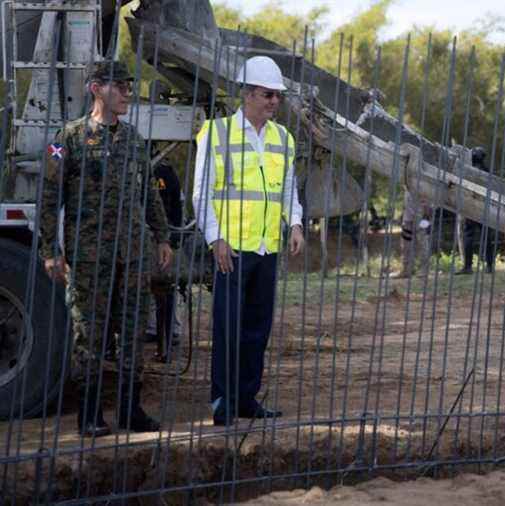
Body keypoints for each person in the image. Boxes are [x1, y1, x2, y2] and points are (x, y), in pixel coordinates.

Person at [39, 60, 173, 437]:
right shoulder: (69, 138)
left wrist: (162, 236)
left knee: (131, 331)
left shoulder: (133, 139)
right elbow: (50, 198)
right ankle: (91, 414)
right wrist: (50, 250)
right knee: (90, 334)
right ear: (97, 89)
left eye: (130, 87)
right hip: (89, 256)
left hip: (132, 255)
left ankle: (131, 410)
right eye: (122, 87)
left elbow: (149, 193)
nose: (128, 94)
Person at [192, 56, 305, 426]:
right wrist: (215, 237)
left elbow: (288, 188)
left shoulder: (282, 138)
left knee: (258, 327)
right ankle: (222, 401)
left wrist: (297, 223)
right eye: (268, 95)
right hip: (232, 249)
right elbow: (201, 192)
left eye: (277, 97)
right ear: (248, 94)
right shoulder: (216, 132)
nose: (275, 102)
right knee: (228, 326)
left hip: (265, 247)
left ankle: (246, 398)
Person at [145, 159, 184, 353]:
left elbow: (176, 205)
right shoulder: (163, 171)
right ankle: (156, 329)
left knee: (165, 286)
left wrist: (173, 238)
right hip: (156, 236)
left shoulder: (165, 172)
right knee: (158, 287)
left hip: (163, 237)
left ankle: (169, 331)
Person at [455, 147, 498, 275]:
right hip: (483, 207)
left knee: (469, 235)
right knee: (486, 236)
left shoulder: (468, 170)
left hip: (471, 205)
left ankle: (468, 266)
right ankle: (490, 265)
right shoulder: (487, 171)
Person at [390, 189, 432, 278]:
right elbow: (406, 203)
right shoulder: (407, 184)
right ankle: (406, 270)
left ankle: (424, 270)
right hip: (408, 218)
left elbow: (428, 203)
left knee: (423, 243)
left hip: (421, 217)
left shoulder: (423, 184)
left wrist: (426, 218)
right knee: (406, 245)